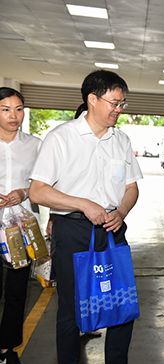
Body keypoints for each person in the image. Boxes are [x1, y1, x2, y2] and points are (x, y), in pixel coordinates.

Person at [29, 70, 142, 364]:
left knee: (122, 302)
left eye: (122, 104)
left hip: (113, 229)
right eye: (114, 103)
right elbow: (37, 192)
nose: (119, 109)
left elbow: (131, 187)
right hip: (73, 232)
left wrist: (122, 211)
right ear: (92, 99)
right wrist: (81, 204)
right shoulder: (61, 138)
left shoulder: (122, 140)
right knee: (72, 309)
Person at [0, 87, 42, 364]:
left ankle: (7, 348)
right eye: (5, 109)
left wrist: (23, 193)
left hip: (21, 228)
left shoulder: (35, 145)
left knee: (16, 292)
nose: (13, 116)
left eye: (18, 109)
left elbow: (42, 183)